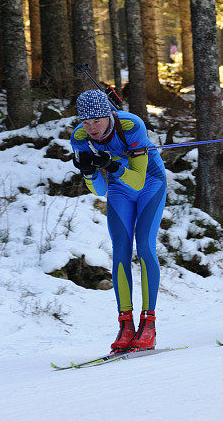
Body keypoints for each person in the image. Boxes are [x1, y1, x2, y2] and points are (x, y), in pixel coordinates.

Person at [69, 90, 167, 352]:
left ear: (109, 114)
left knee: (145, 247)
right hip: (119, 191)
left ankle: (149, 325)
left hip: (150, 184)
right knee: (120, 253)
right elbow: (100, 190)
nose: (90, 129)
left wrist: (111, 164)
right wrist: (90, 171)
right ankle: (126, 325)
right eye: (85, 122)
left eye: (96, 122)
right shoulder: (79, 137)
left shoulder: (131, 125)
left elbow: (137, 178)